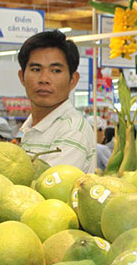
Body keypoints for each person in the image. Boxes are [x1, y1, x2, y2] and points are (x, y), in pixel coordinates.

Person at [17, 30, 96, 173]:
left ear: (73, 80)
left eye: (55, 71)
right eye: (36, 69)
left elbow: (49, 187)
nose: (44, 79)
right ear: (22, 77)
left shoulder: (72, 131)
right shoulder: (31, 127)